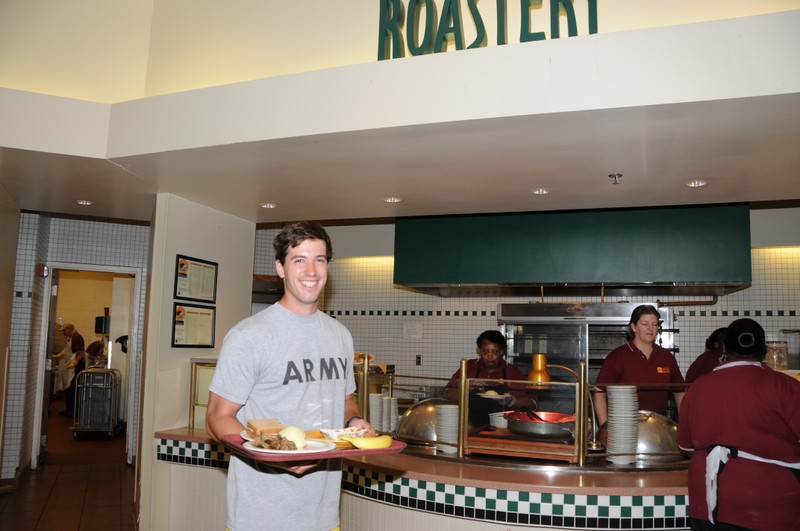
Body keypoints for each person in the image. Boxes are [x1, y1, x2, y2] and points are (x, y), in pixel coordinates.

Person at [205, 221, 373, 531]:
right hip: (260, 517)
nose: (311, 270)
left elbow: (345, 400)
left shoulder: (340, 336)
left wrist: (353, 423)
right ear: (280, 268)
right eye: (300, 260)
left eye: (319, 260)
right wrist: (273, 455)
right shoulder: (250, 336)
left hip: (324, 516)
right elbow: (217, 418)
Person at [678, 318, 800, 531]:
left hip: (708, 506)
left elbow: (686, 447)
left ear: (725, 348)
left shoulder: (698, 387)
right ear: (764, 350)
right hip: (770, 508)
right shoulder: (785, 386)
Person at [594, 304, 685, 427]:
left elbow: (680, 392)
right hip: (624, 425)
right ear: (634, 327)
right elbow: (599, 393)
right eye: (645, 324)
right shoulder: (617, 356)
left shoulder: (666, 357)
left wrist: (684, 425)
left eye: (654, 324)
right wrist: (605, 428)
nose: (650, 328)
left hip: (659, 426)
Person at [444, 330, 536, 429]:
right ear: (479, 351)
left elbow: (532, 403)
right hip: (469, 428)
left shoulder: (512, 371)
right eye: (485, 352)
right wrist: (466, 386)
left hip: (502, 429)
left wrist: (513, 401)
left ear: (501, 351)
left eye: (495, 352)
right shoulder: (469, 367)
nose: (490, 357)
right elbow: (447, 394)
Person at [60, 340, 102, 416]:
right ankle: (72, 409)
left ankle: (72, 409)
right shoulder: (96, 345)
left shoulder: (76, 338)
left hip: (73, 365)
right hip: (82, 364)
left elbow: (82, 352)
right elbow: (86, 354)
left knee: (70, 386)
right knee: (70, 386)